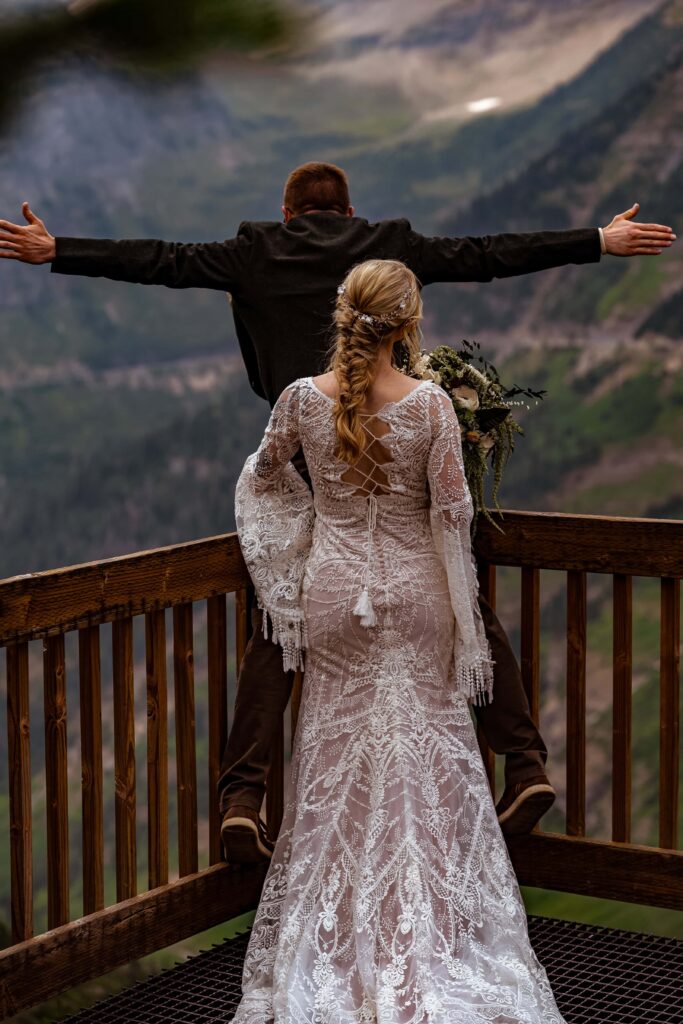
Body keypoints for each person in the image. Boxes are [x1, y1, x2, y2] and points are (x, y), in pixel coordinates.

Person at [0, 162, 675, 859]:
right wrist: (596, 239)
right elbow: (487, 254)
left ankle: (242, 795)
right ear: (350, 211)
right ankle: (524, 761)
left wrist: (58, 250)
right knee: (456, 584)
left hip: (309, 458)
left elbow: (161, 261)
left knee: (281, 611)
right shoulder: (391, 246)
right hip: (395, 457)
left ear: (287, 212)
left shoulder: (252, 252)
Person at [230, 257, 567, 1022]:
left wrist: (298, 538)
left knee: (334, 758)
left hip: (330, 594)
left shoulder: (299, 401)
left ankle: (336, 936)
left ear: (343, 316)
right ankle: (428, 930)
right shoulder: (429, 409)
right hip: (416, 595)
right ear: (408, 325)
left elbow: (261, 476)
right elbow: (452, 516)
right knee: (427, 762)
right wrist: (464, 618)